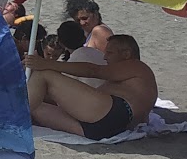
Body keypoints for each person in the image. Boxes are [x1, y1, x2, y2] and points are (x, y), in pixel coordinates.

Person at [24, 35, 156, 141]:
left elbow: (93, 70)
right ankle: (12, 117)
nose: (105, 57)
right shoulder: (133, 81)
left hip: (114, 113)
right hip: (99, 129)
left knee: (44, 74)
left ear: (126, 54)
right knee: (37, 106)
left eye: (109, 53)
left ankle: (10, 121)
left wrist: (47, 64)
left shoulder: (136, 66)